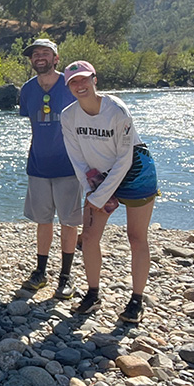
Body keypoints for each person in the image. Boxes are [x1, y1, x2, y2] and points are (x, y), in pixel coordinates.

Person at [60, 60, 159, 323]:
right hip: (98, 175)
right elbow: (77, 159)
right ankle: (93, 294)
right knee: (90, 237)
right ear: (68, 86)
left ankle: (136, 300)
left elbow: (125, 159)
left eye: (84, 79)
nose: (80, 85)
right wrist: (92, 192)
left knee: (136, 237)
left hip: (135, 170)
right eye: (74, 82)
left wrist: (102, 195)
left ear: (95, 79)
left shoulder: (117, 110)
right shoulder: (68, 116)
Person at [18, 38, 83, 299]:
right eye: (35, 54)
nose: (40, 57)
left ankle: (66, 277)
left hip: (69, 166)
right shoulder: (27, 89)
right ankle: (40, 272)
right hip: (38, 165)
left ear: (56, 58)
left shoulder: (70, 86)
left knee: (69, 222)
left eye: (45, 53)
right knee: (43, 221)